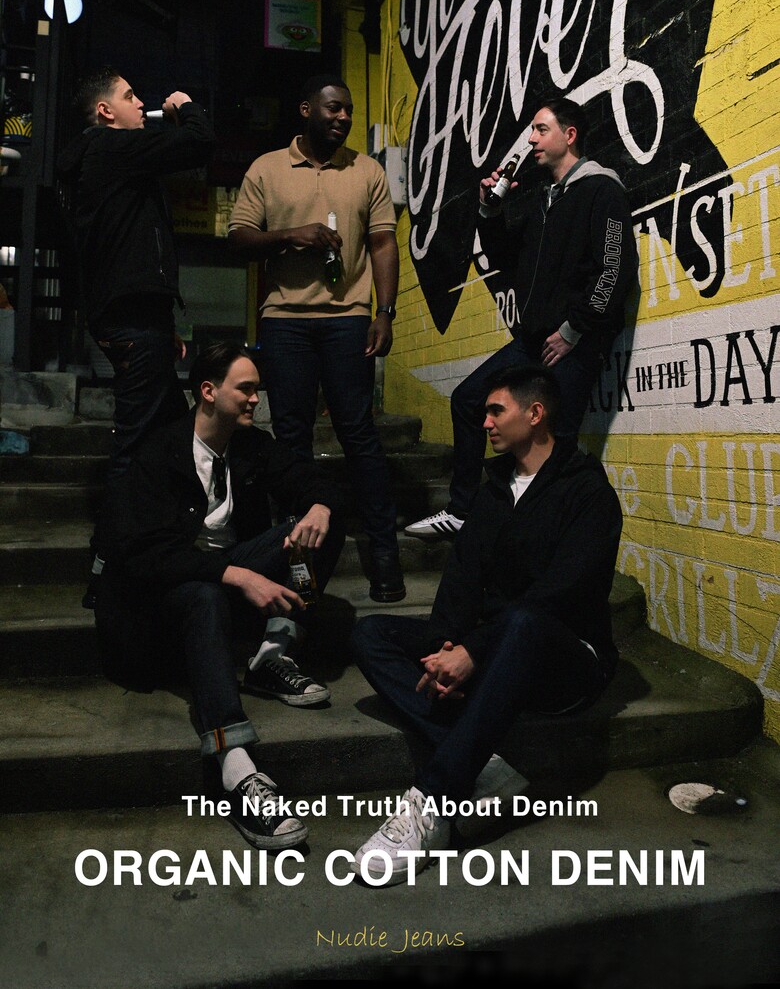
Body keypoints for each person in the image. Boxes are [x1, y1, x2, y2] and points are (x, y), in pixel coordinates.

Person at [351, 364, 622, 884]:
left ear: (535, 414)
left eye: (496, 411)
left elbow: (562, 595)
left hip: (567, 661)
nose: (485, 423)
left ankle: (432, 802)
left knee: (524, 620)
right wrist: (444, 648)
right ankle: (487, 766)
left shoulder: (588, 492)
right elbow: (461, 578)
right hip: (496, 652)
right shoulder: (493, 488)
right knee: (370, 634)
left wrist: (472, 652)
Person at [97, 343, 345, 849]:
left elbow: (312, 480)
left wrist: (319, 505)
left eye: (258, 389)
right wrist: (236, 575)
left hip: (225, 583)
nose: (256, 399)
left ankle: (272, 653)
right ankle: (237, 767)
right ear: (209, 392)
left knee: (317, 529)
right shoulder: (160, 451)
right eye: (246, 389)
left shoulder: (251, 445)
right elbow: (144, 555)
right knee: (204, 596)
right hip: (161, 608)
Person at [405, 97, 636, 541]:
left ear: (569, 135)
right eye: (532, 130)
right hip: (533, 340)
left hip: (574, 342)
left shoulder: (601, 190)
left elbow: (615, 267)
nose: (531, 139)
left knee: (556, 441)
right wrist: (490, 210)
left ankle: (547, 537)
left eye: (541, 129)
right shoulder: (544, 198)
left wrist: (573, 329)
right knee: (469, 400)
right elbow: (505, 259)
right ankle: (462, 511)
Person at [228, 74, 405, 603]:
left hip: (348, 318)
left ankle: (384, 556)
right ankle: (297, 558)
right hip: (284, 320)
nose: (343, 117)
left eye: (347, 109)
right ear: (306, 110)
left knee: (359, 435)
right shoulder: (267, 168)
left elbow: (383, 243)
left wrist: (384, 312)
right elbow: (239, 238)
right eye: (332, 108)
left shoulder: (367, 170)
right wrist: (292, 235)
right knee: (291, 441)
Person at [58, 67, 215, 604]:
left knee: (167, 432)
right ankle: (106, 569)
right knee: (135, 444)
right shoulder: (109, 146)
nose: (139, 103)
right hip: (133, 321)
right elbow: (199, 142)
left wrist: (162, 324)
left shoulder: (107, 160)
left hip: (138, 318)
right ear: (106, 111)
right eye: (129, 96)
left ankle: (156, 547)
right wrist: (185, 105)